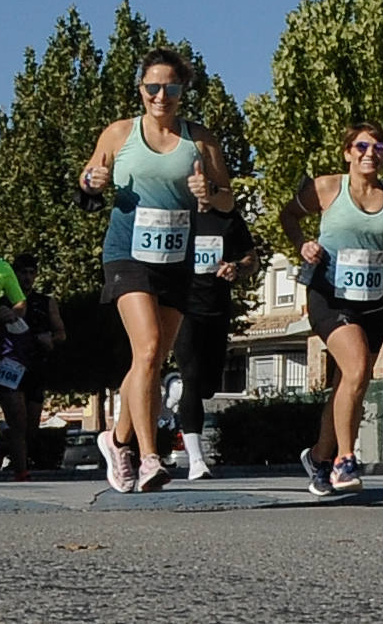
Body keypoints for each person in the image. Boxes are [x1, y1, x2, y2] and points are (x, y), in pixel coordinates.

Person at [79, 47, 234, 493]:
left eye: (170, 87)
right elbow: (87, 186)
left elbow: (226, 200)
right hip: (127, 253)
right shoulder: (119, 133)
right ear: (141, 90)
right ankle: (149, 457)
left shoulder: (200, 140)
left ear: (182, 91)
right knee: (147, 349)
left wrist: (210, 193)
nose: (160, 95)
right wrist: (91, 182)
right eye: (152, 87)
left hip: (176, 260)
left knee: (150, 359)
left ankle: (117, 439)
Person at [280, 122, 383, 495]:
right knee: (358, 368)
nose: (370, 153)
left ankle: (318, 458)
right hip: (329, 294)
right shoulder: (327, 187)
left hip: (373, 300)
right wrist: (303, 244)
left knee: (351, 383)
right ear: (348, 152)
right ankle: (345, 460)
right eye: (362, 146)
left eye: (378, 147)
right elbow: (289, 216)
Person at [173, 206, 258, 479]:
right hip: (183, 307)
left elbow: (252, 259)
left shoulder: (228, 216)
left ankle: (176, 389)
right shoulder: (176, 210)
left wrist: (237, 268)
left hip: (218, 309)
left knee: (208, 386)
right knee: (192, 377)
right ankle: (196, 460)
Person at [0, 254, 66, 480]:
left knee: (29, 430)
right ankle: (21, 472)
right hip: (8, 366)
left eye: (31, 272)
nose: (26, 277)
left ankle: (4, 445)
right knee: (18, 422)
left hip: (35, 367)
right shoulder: (1, 299)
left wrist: (51, 340)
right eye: (22, 272)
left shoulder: (45, 302)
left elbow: (61, 334)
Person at [0, 255, 29, 479]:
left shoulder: (1, 268)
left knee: (16, 415)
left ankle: (21, 470)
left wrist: (11, 312)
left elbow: (20, 304)